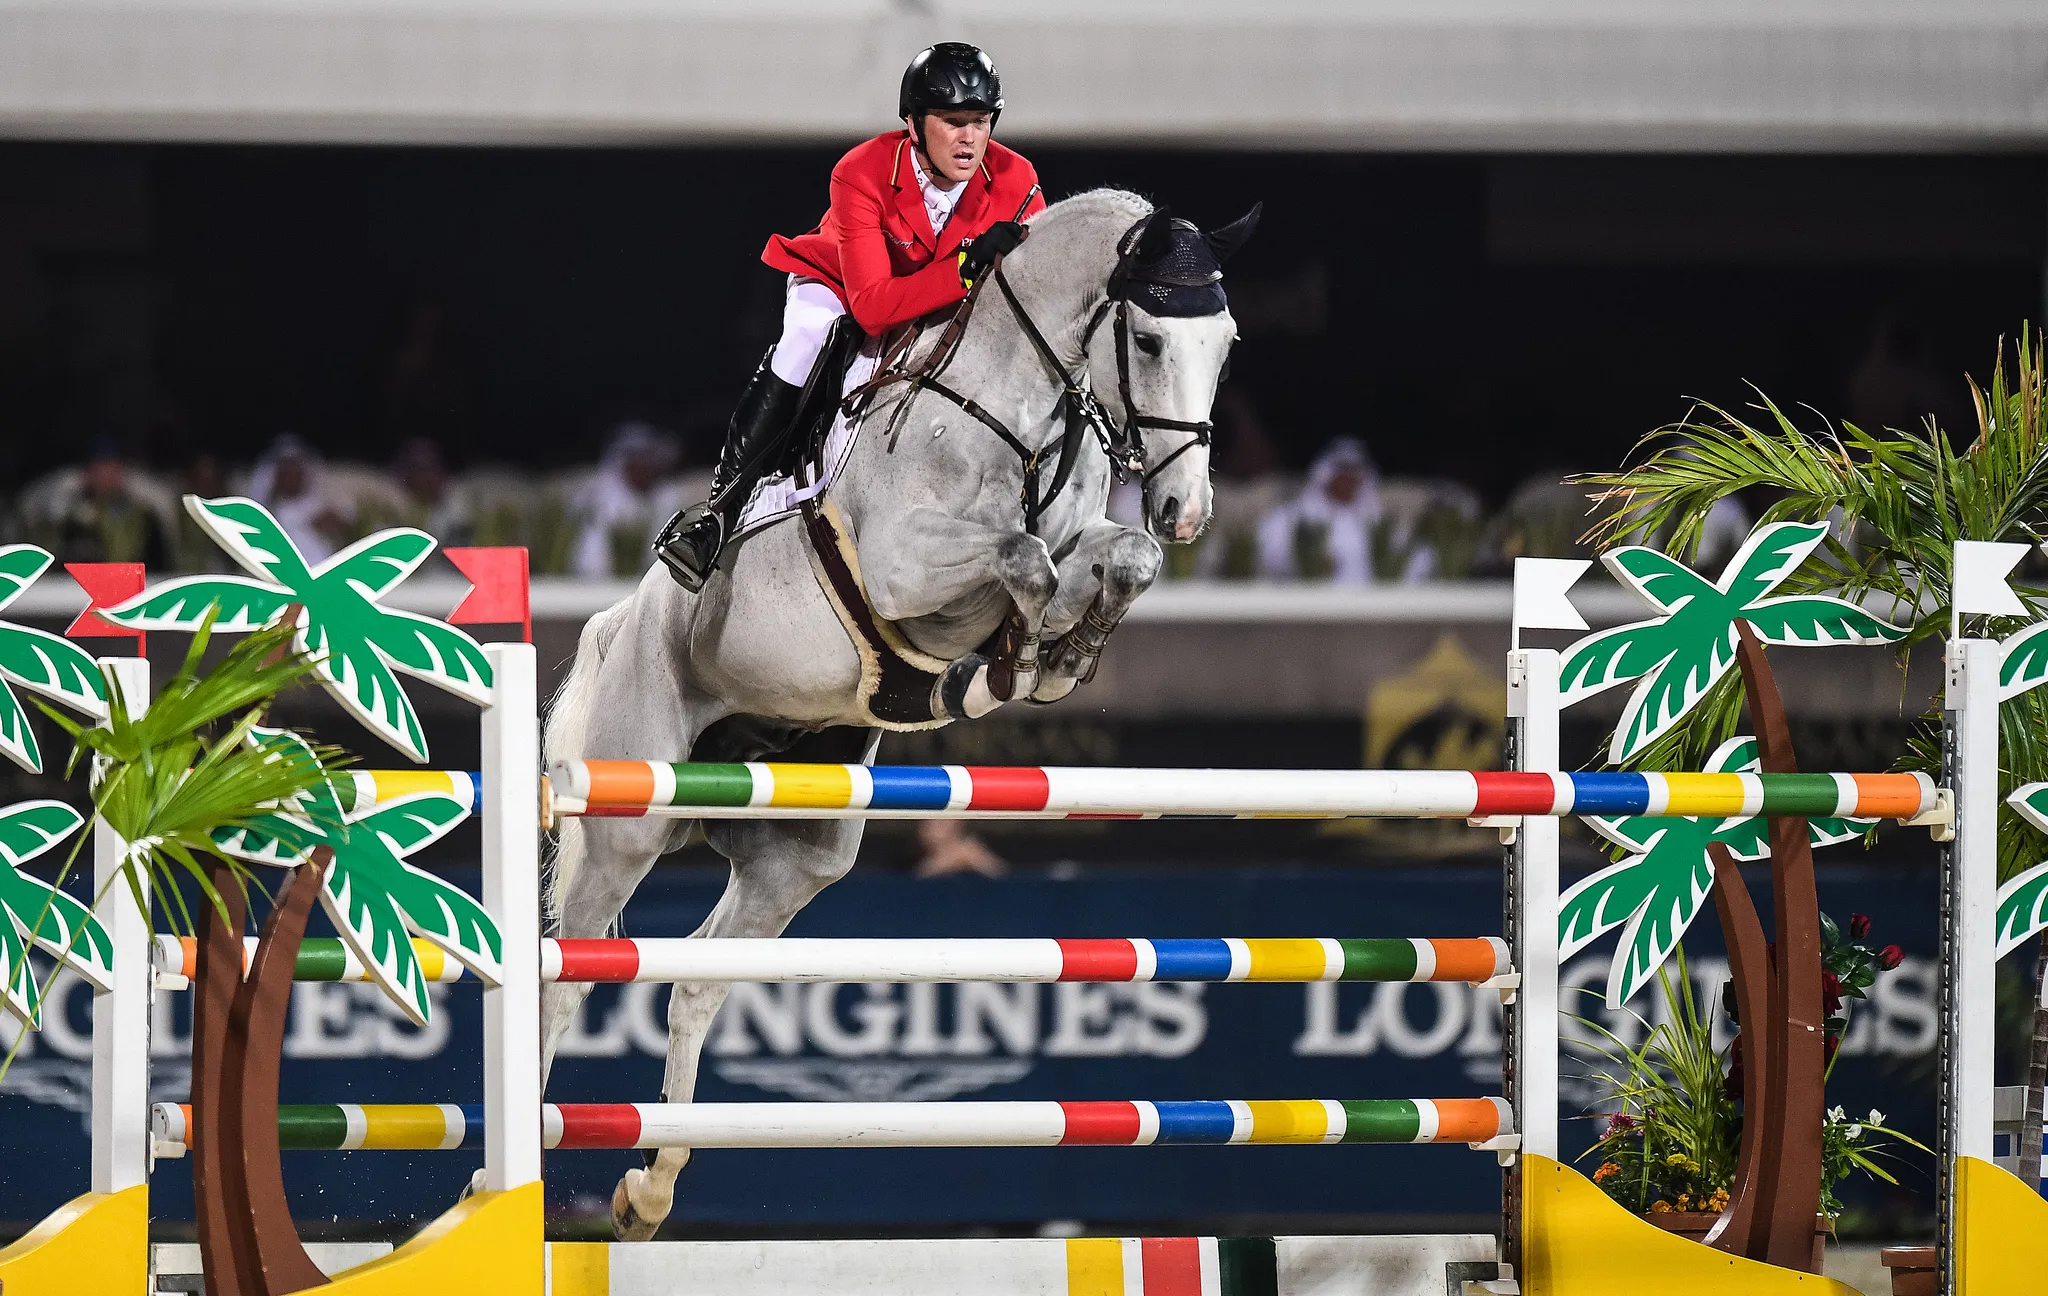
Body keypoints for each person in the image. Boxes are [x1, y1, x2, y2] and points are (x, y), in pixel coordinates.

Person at [652, 42, 1046, 590]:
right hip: (841, 284)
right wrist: (964, 267)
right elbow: (875, 307)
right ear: (913, 124)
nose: (969, 138)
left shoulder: (1016, 179)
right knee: (807, 338)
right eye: (952, 122)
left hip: (945, 301)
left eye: (980, 121)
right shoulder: (860, 171)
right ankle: (720, 511)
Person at [1256, 438, 1384, 582]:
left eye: (1354, 473)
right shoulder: (1291, 517)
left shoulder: (1376, 523)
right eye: (1343, 472)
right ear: (1325, 473)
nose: (1348, 480)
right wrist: (1309, 562)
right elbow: (1268, 554)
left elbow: (1407, 562)